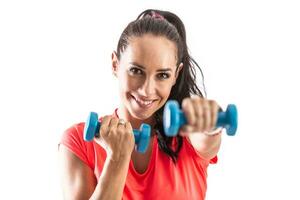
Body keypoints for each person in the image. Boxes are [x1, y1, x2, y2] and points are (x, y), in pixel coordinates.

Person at [58, 9, 223, 200]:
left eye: (162, 75)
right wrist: (117, 158)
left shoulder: (188, 135)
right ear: (115, 64)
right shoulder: (79, 141)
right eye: (136, 70)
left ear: (176, 75)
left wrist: (210, 121)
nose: (147, 90)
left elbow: (207, 136)